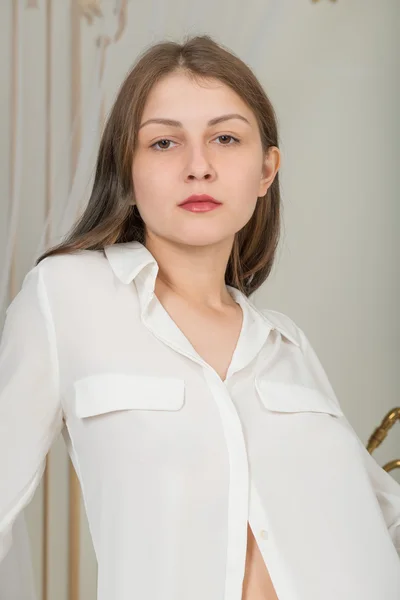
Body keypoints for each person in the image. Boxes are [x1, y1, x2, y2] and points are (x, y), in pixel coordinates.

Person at [0, 34, 399, 600]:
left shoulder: (286, 345)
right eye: (164, 143)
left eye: (226, 138)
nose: (198, 167)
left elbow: (383, 520)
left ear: (266, 172)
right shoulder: (67, 295)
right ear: (127, 172)